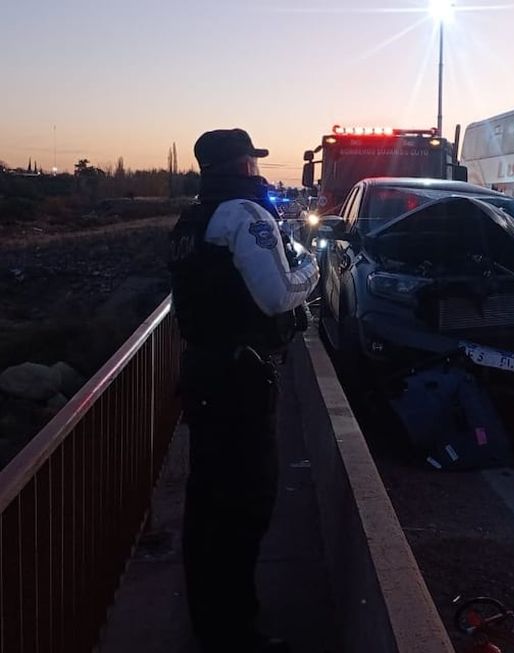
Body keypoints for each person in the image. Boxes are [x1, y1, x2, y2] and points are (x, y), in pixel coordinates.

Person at [168, 128, 319, 652]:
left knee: (207, 500)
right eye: (253, 161)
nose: (258, 170)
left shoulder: (195, 218)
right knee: (245, 503)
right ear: (241, 165)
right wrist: (311, 270)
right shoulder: (246, 215)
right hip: (239, 381)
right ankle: (233, 630)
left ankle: (211, 618)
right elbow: (278, 296)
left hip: (206, 373)